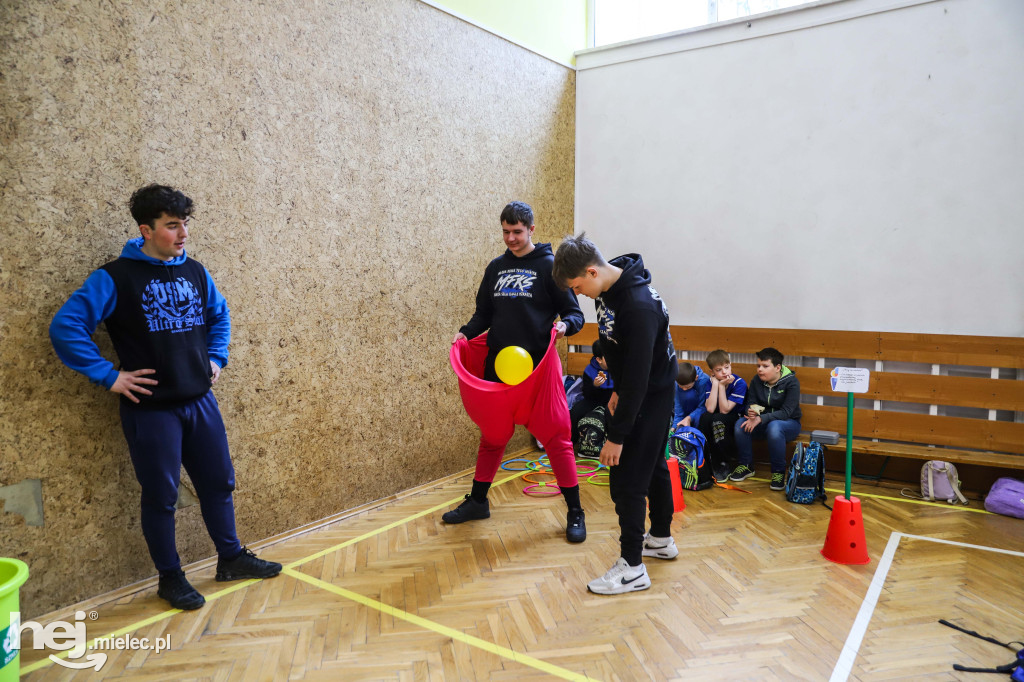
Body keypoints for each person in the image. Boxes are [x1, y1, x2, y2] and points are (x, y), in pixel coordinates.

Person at [49, 184, 281, 611]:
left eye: (185, 224)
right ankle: (170, 578)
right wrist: (108, 376)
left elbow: (219, 315)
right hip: (152, 412)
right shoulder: (114, 277)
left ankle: (230, 558)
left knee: (219, 482)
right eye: (172, 225)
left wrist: (216, 357)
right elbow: (65, 328)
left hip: (200, 402)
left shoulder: (195, 271)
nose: (183, 233)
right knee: (162, 496)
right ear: (146, 230)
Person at [447, 201, 587, 542]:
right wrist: (465, 333)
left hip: (539, 372)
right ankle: (478, 502)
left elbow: (575, 314)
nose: (511, 238)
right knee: (493, 437)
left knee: (557, 438)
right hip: (499, 371)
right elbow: (483, 314)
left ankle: (575, 511)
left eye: (517, 232)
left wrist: (565, 326)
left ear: (531, 229)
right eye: (506, 232)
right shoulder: (496, 268)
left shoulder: (550, 267)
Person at [553, 232, 678, 595]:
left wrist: (616, 436)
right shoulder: (609, 289)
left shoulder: (638, 307)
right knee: (653, 467)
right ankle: (661, 539)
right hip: (640, 392)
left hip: (650, 397)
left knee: (627, 481)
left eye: (578, 287)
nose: (578, 294)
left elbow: (639, 378)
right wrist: (617, 389)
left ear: (592, 272)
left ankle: (632, 568)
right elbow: (616, 348)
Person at [731, 347, 802, 490]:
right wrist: (751, 412)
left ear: (777, 368)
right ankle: (746, 465)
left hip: (789, 424)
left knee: (774, 427)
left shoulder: (792, 382)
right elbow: (750, 403)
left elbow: (786, 412)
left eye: (765, 366)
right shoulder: (756, 380)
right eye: (758, 366)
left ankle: (778, 472)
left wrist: (760, 419)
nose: (760, 370)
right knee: (740, 424)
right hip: (763, 423)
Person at [697, 350, 747, 482]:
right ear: (712, 372)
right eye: (719, 370)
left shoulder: (739, 383)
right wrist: (715, 384)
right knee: (705, 417)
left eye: (727, 367)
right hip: (717, 417)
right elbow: (710, 408)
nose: (724, 372)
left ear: (731, 365)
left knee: (718, 419)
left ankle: (724, 463)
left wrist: (722, 385)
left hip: (734, 417)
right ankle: (707, 460)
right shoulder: (711, 382)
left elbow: (725, 410)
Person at [570, 337, 615, 429]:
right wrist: (595, 386)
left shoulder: (618, 369)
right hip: (594, 401)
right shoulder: (589, 370)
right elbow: (587, 394)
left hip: (613, 400)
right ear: (599, 359)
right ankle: (573, 437)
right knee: (575, 412)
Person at [671, 361, 710, 432]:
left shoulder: (704, 380)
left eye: (688, 387)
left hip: (701, 411)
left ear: (696, 378)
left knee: (689, 394)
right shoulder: (676, 382)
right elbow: (678, 407)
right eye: (681, 387)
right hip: (684, 411)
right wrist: (674, 427)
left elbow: (703, 407)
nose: (684, 389)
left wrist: (689, 417)